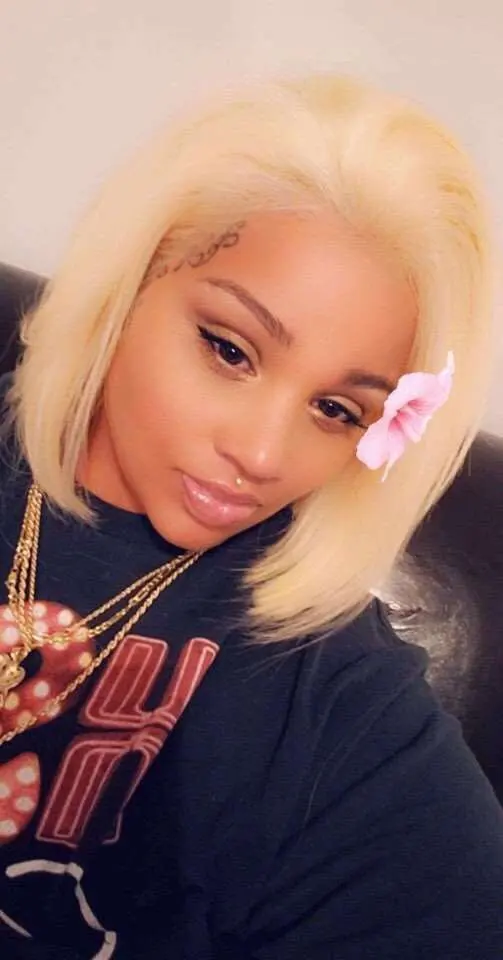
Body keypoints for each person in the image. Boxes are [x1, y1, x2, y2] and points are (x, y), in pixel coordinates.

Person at [0, 73, 501, 959]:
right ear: (134, 280)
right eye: (229, 350)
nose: (264, 455)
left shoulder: (333, 703)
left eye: (336, 410)